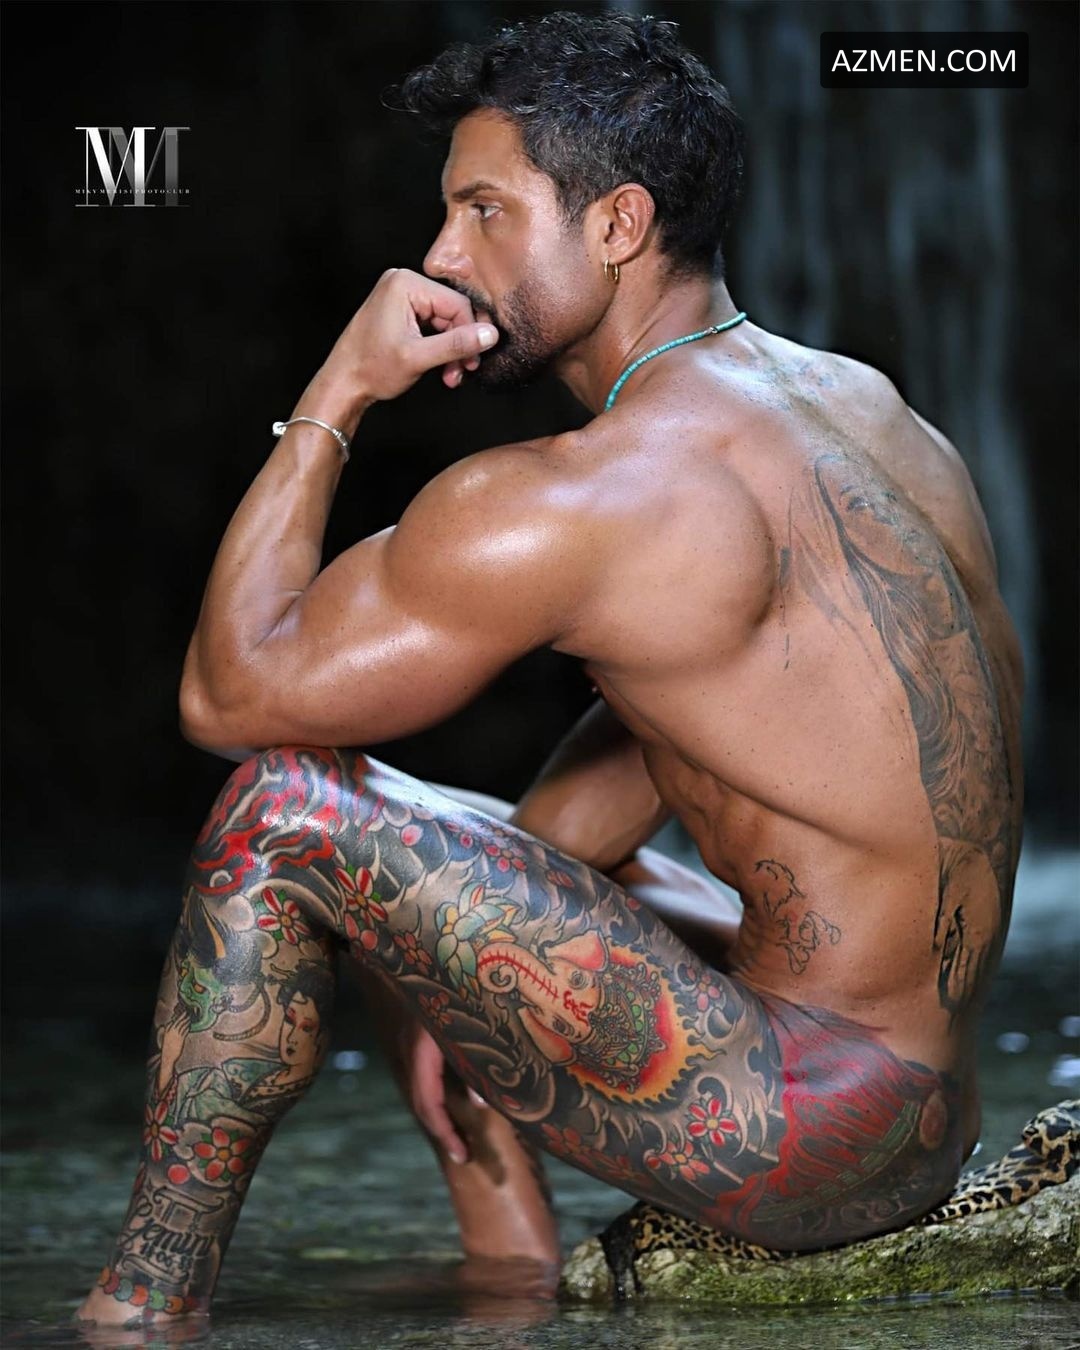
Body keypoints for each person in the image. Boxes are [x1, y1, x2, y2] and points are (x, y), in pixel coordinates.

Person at [76, 9, 1022, 1327]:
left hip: (817, 1136)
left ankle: (137, 1308)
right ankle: (512, 1277)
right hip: (925, 1104)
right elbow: (675, 741)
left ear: (620, 225)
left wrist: (337, 391)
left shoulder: (589, 496)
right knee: (430, 845)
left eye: (483, 213)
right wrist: (443, 962)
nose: (439, 258)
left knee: (287, 810)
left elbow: (229, 693)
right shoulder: (874, 412)